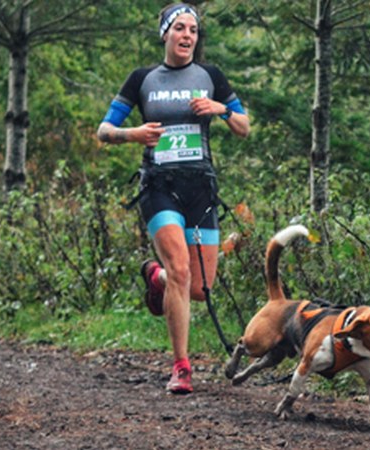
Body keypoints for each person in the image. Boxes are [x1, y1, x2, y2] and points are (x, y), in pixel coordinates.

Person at [97, 3, 250, 394]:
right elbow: (103, 131)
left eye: (193, 31)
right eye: (179, 28)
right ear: (165, 33)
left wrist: (220, 109)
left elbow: (243, 127)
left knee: (198, 288)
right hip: (158, 185)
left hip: (201, 187)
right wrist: (132, 134)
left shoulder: (211, 76)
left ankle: (156, 277)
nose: (187, 36)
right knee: (181, 270)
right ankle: (181, 367)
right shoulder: (143, 79)